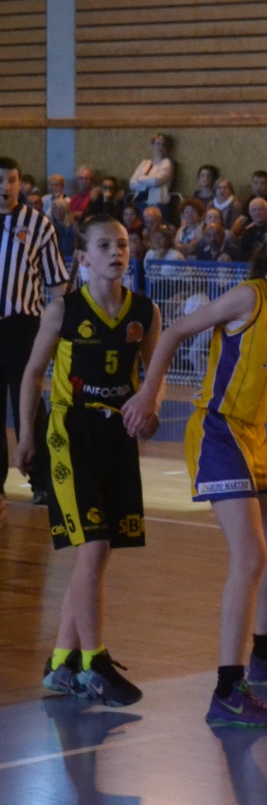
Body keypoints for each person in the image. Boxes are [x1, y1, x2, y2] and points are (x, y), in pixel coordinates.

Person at [121, 220, 267, 728]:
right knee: (251, 554)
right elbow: (174, 331)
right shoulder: (249, 297)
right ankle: (228, 691)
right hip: (218, 430)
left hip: (252, 435)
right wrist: (149, 393)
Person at [17, 216, 160, 706]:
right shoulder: (64, 309)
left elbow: (153, 375)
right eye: (104, 245)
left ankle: (62, 663)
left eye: (122, 244)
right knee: (94, 548)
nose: (117, 252)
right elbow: (33, 372)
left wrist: (151, 407)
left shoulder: (144, 311)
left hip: (116, 436)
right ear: (82, 257)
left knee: (95, 555)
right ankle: (93, 663)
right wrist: (25, 436)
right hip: (70, 433)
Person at [1, 156, 71, 507]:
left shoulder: (38, 223)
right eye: (0, 180)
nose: (6, 186)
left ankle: (42, 481)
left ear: (20, 183)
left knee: (28, 404)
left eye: (12, 180)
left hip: (22, 325)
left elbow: (56, 280)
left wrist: (61, 325)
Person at [127, 134, 175, 215]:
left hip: (157, 203)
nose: (160, 147)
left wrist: (140, 179)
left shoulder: (167, 163)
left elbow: (156, 181)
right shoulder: (145, 163)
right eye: (158, 144)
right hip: (140, 201)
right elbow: (132, 183)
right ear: (153, 146)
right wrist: (146, 184)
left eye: (163, 145)